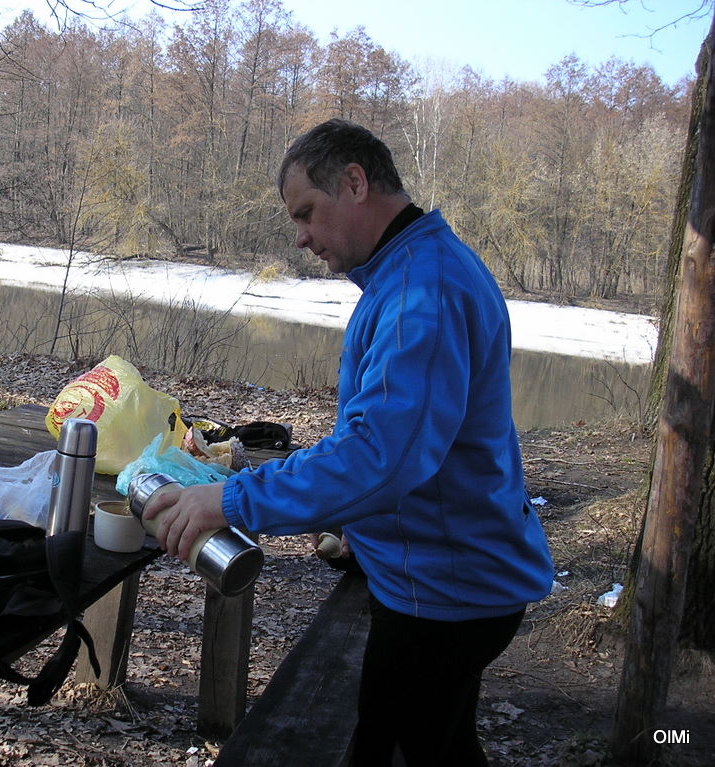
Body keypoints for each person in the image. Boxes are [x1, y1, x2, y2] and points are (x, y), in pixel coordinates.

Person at [143, 118, 554, 766]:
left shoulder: (424, 292)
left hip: (444, 589)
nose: (300, 236)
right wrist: (352, 515)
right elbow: (414, 442)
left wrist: (229, 499)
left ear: (355, 183)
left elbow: (379, 456)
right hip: (448, 574)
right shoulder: (411, 271)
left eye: (306, 212)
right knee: (441, 748)